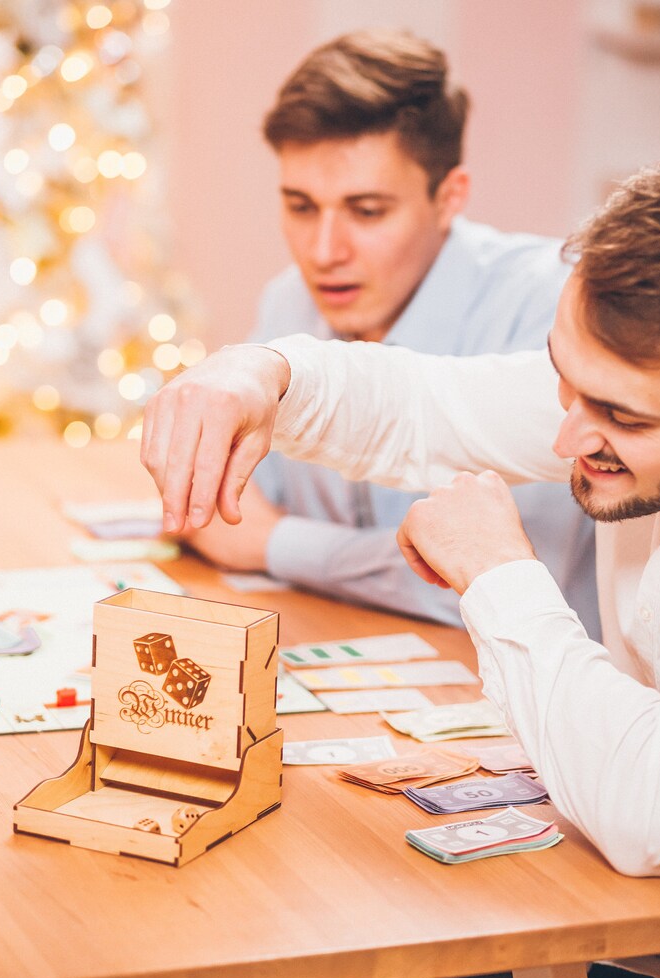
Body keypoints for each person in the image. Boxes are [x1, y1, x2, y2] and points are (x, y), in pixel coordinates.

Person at [141, 145, 660, 978]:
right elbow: (426, 405)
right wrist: (261, 371)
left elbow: (656, 812)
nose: (566, 438)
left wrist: (495, 568)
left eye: (622, 418)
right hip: (632, 933)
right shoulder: (635, 389)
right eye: (564, 381)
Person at [178, 29, 599, 636]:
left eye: (367, 211)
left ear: (449, 197)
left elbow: (506, 585)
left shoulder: (552, 308)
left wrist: (275, 544)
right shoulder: (288, 300)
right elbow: (222, 510)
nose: (324, 251)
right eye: (301, 206)